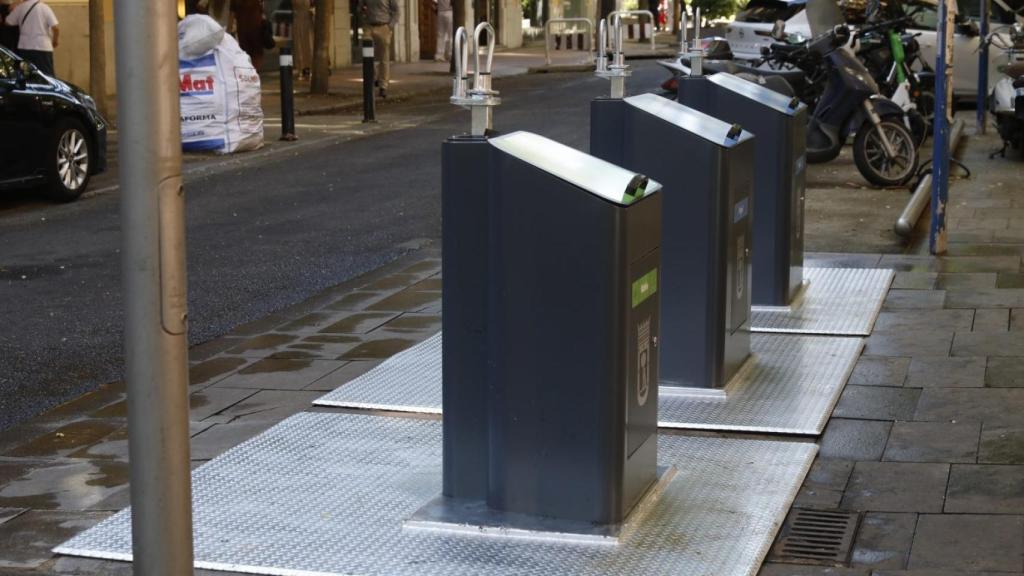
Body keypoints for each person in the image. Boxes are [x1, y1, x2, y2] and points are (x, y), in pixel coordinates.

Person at [2, 0, 59, 76]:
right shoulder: (44, 7)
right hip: (43, 47)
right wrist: (55, 41)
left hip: (25, 47)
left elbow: (8, 22)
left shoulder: (21, 7)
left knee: (26, 75)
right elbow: (55, 28)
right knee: (47, 75)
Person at [359, 0, 399, 98]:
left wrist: (390, 26)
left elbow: (396, 11)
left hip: (383, 26)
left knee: (384, 58)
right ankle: (372, 78)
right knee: (367, 54)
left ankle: (383, 86)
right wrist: (364, 18)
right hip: (369, 27)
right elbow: (360, 8)